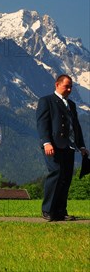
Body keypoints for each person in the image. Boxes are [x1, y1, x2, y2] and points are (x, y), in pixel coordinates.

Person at [36, 74, 88, 221]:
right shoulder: (46, 101)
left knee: (66, 177)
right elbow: (42, 124)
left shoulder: (71, 104)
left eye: (71, 86)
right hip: (53, 145)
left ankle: (60, 211)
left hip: (69, 146)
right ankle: (47, 210)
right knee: (56, 173)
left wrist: (81, 145)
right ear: (57, 85)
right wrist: (46, 142)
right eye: (67, 86)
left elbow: (75, 126)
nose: (70, 89)